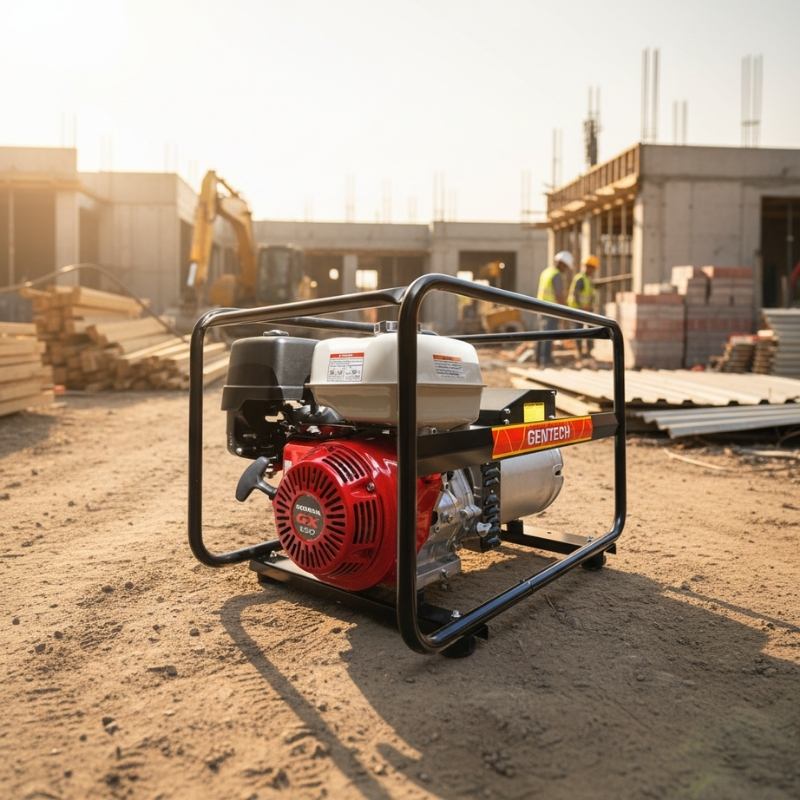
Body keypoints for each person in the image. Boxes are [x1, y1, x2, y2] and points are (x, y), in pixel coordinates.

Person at [536, 250, 573, 366]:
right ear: (562, 263)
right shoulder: (556, 275)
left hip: (540, 308)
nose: (565, 270)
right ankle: (546, 360)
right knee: (548, 334)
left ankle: (539, 359)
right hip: (550, 310)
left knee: (541, 334)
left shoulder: (546, 272)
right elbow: (559, 295)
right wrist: (565, 311)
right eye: (565, 267)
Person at [568, 254, 599, 358]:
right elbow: (576, 294)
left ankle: (589, 352)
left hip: (587, 309)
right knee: (579, 331)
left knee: (591, 330)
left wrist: (590, 306)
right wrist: (582, 307)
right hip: (578, 309)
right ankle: (579, 353)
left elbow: (590, 295)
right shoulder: (580, 279)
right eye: (590, 268)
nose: (592, 270)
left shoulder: (588, 279)